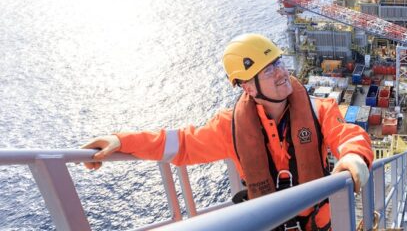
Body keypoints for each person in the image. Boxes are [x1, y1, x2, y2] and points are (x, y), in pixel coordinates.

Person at [81, 34, 373, 231]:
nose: (282, 73)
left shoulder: (319, 109)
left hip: (320, 224)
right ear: (247, 87)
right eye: (268, 70)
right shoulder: (228, 127)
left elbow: (348, 135)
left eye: (278, 63)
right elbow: (181, 144)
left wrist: (354, 157)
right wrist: (122, 141)